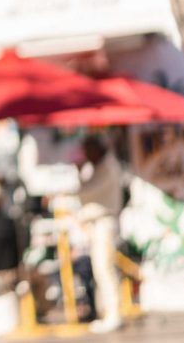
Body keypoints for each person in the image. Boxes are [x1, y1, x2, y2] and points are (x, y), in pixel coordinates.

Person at [76, 135, 124, 333]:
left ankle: (114, 313)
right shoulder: (101, 167)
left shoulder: (108, 167)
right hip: (98, 224)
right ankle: (107, 311)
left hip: (105, 223)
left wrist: (79, 175)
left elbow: (87, 191)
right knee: (100, 268)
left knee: (104, 267)